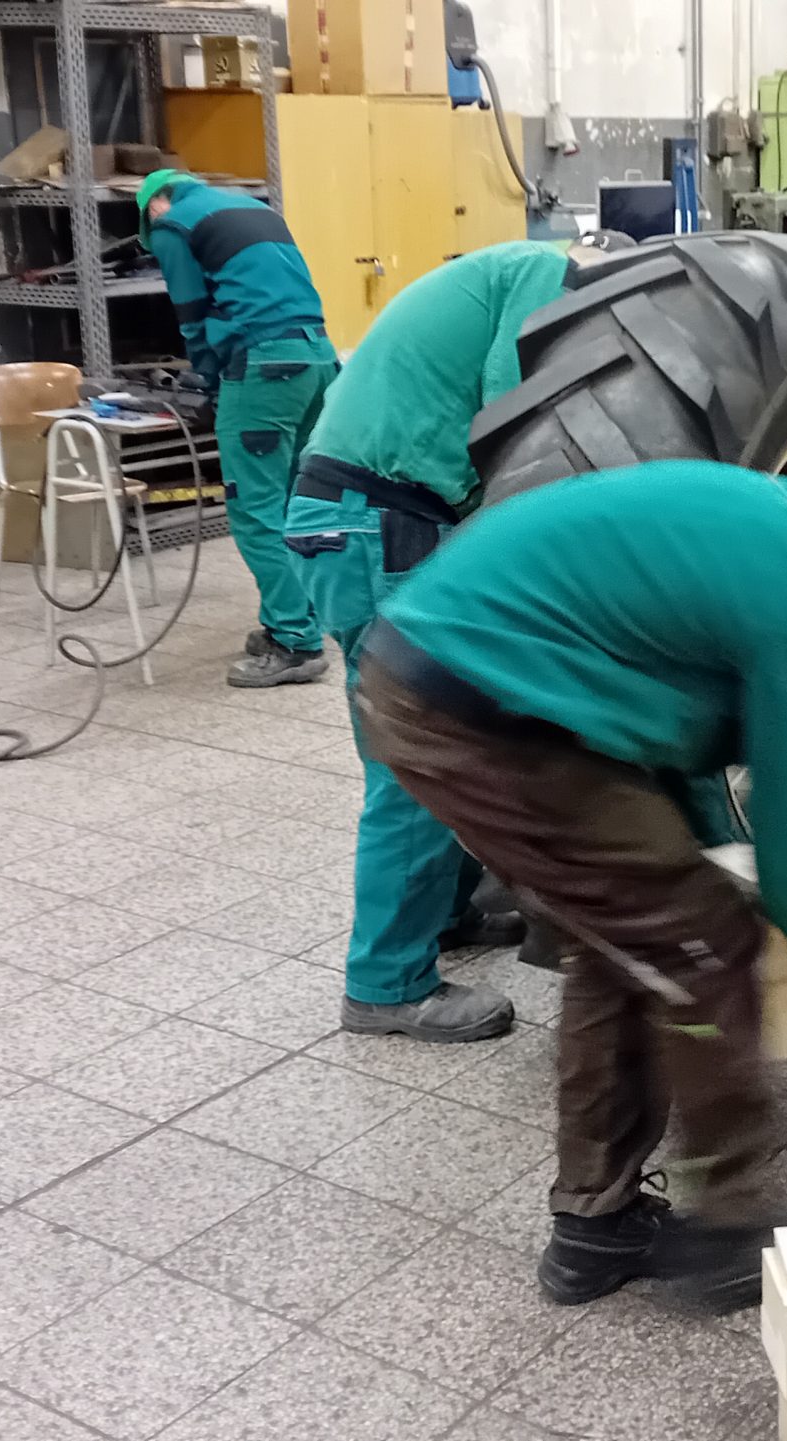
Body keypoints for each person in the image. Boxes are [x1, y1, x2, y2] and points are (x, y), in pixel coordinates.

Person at [353, 460, 787, 1310]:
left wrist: (715, 867)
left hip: (485, 681)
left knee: (638, 935)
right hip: (475, 706)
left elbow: (676, 741)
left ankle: (596, 1227)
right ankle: (729, 1229)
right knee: (703, 942)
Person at [281, 240, 589, 1043]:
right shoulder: (547, 274)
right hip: (380, 521)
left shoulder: (498, 275)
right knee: (417, 758)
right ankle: (385, 986)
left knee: (443, 741)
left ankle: (446, 914)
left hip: (361, 517)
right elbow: (515, 424)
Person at [138, 169, 338, 688]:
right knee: (297, 503)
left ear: (154, 206)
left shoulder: (171, 224)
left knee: (255, 509)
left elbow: (191, 314)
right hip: (317, 358)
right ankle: (296, 619)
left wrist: (207, 382)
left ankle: (296, 642)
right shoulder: (255, 209)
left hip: (264, 369)